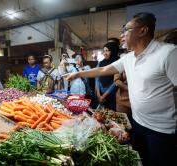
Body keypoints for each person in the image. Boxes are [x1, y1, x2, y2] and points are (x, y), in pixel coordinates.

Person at [64, 12, 177, 166]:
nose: (122, 36)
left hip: (162, 130)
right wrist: (77, 73)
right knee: (140, 160)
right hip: (137, 123)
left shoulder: (168, 53)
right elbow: (103, 70)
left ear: (142, 31)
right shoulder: (128, 58)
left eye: (126, 30)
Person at [95, 42, 119, 110]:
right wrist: (98, 93)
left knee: (111, 114)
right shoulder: (101, 63)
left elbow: (115, 82)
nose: (104, 53)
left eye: (107, 51)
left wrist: (104, 95)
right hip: (100, 93)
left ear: (113, 51)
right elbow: (97, 78)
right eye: (104, 51)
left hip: (112, 94)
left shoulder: (117, 63)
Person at [114, 31, 132, 121]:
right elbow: (116, 80)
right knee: (123, 125)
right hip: (123, 98)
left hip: (141, 102)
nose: (121, 37)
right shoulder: (123, 59)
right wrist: (129, 89)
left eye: (125, 33)